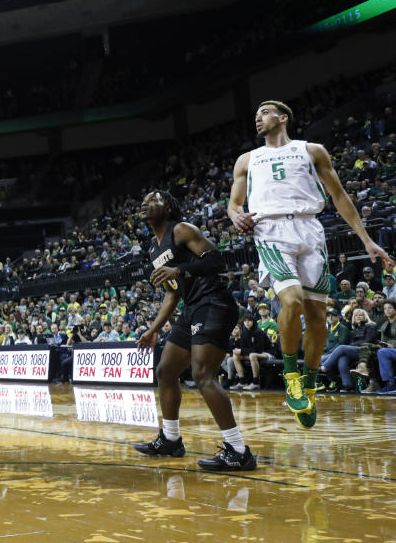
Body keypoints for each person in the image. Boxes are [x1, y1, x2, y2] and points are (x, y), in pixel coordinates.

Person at [228, 100, 392, 428]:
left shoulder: (311, 150)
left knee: (318, 319)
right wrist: (235, 216)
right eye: (256, 115)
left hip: (310, 230)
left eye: (265, 112)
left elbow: (340, 195)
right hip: (270, 230)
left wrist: (366, 239)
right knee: (291, 301)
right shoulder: (248, 159)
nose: (258, 119)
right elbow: (234, 203)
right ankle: (291, 374)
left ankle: (309, 382)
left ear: (283, 117)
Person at [133, 190, 254, 471]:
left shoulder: (182, 230)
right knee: (165, 371)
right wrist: (153, 330)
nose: (145, 203)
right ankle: (171, 439)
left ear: (169, 206)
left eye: (153, 199)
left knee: (202, 374)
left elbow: (216, 260)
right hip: (191, 307)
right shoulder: (154, 249)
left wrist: (180, 270)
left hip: (214, 302)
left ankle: (238, 450)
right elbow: (172, 295)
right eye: (144, 200)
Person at [231, 315, 270, 390]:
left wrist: (242, 351)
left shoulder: (258, 332)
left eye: (249, 321)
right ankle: (242, 382)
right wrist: (238, 351)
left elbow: (259, 350)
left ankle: (256, 383)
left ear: (253, 322)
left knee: (252, 355)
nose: (247, 322)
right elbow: (243, 348)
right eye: (245, 321)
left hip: (267, 353)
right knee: (235, 356)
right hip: (255, 353)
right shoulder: (244, 333)